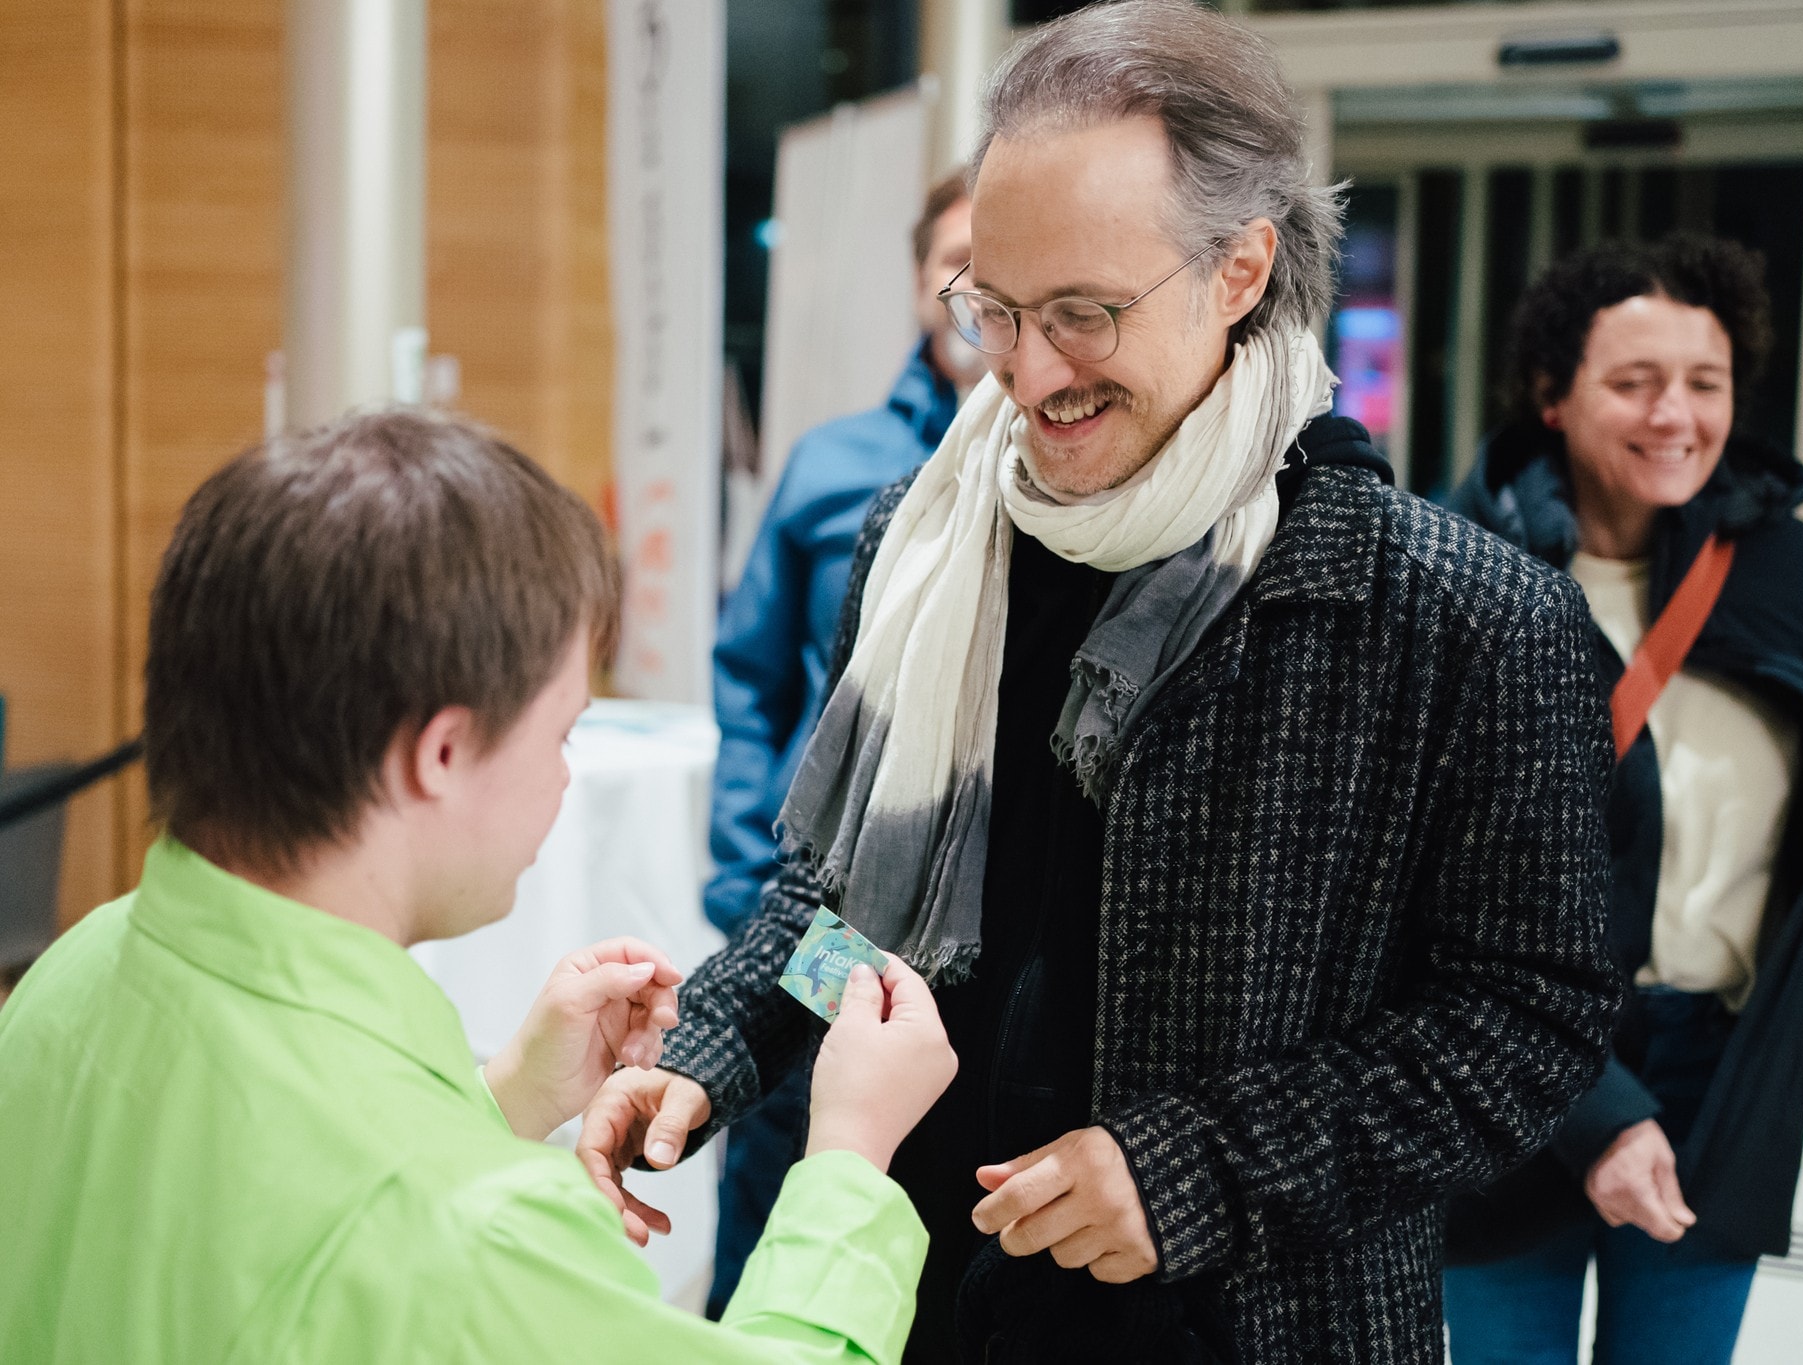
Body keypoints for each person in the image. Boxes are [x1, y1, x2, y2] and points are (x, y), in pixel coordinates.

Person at [578, 2, 1623, 1359]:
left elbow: (1525, 1020)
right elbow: (843, 902)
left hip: (1248, 1323)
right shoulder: (924, 545)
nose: (1026, 371)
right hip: (915, 1292)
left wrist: (1199, 1171)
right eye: (995, 310)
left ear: (1242, 268)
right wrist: (709, 1047)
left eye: (1083, 314)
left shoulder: (1458, 618)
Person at [0, 411, 956, 1364]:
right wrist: (847, 1154)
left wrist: (499, 1100)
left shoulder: (67, 975)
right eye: (562, 733)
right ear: (444, 753)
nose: (566, 776)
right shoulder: (479, 1234)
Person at [1441, 235, 1803, 1364]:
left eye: (1703, 385)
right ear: (1551, 396)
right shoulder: (1459, 570)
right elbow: (1422, 886)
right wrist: (1594, 1111)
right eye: (1633, 382)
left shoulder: (1794, 574)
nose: (1675, 415)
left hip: (1719, 1074)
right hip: (1509, 1073)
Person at [704, 169, 980, 1317]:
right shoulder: (835, 463)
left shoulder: (1096, 477)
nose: (974, 286)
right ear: (921, 280)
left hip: (973, 948)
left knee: (931, 1229)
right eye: (953, 259)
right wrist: (740, 888)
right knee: (782, 1183)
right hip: (817, 918)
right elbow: (750, 677)